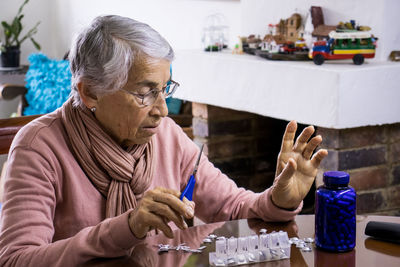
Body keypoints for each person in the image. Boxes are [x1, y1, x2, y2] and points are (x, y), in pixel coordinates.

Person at [0, 15, 327, 266]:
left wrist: (280, 200)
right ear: (89, 92)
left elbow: (234, 208)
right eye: (145, 93)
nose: (161, 110)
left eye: (165, 89)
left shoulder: (166, 135)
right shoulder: (38, 146)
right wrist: (127, 226)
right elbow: (18, 259)